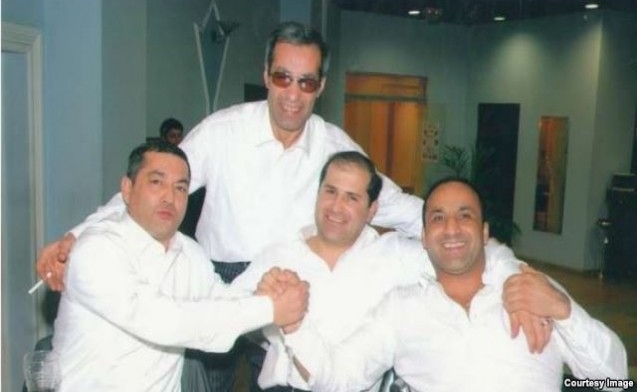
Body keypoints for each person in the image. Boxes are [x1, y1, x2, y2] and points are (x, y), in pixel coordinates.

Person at [37, 21, 423, 391]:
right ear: (266, 74)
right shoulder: (223, 131)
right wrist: (75, 236)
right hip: (215, 278)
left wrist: (452, 232)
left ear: (320, 86)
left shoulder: (335, 148)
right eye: (283, 77)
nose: (293, 94)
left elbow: (395, 205)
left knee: (274, 380)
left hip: (283, 282)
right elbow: (153, 188)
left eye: (306, 82)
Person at [231, 153, 553, 391]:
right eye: (330, 192)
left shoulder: (396, 255)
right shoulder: (279, 255)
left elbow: (470, 253)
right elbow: (230, 313)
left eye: (352, 197)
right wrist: (261, 306)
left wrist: (516, 283)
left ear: (372, 210)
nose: (336, 207)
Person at [280, 177, 628, 392]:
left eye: (465, 215)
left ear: (485, 232)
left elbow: (614, 380)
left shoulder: (535, 291)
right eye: (438, 218)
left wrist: (563, 311)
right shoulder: (401, 308)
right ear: (423, 237)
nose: (451, 229)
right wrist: (294, 325)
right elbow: (337, 377)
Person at [52, 140, 309, 391]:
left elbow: (222, 299)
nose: (169, 197)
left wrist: (268, 293)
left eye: (180, 188)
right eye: (157, 182)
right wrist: (267, 308)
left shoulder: (189, 253)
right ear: (127, 190)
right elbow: (164, 320)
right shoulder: (96, 249)